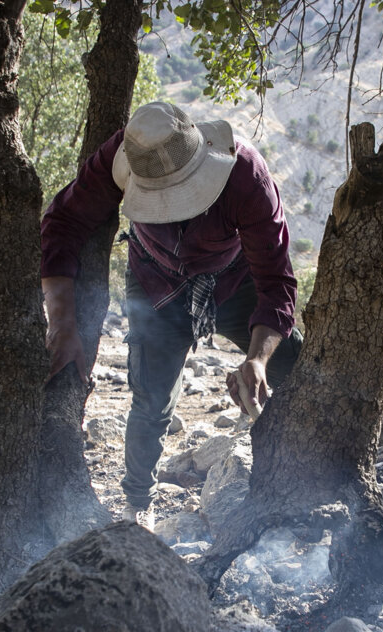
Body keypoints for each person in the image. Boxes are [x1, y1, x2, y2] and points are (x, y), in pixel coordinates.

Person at [40, 101, 303, 529]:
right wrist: (64, 325)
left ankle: (309, 471)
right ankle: (137, 502)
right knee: (152, 397)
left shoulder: (246, 177)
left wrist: (257, 358)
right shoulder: (120, 156)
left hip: (233, 279)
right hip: (155, 280)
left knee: (294, 366)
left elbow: (275, 283)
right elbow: (62, 223)